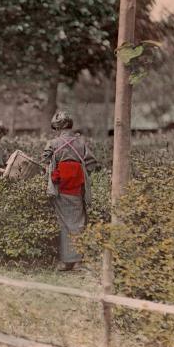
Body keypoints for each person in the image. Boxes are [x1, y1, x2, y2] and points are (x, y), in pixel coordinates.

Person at [43, 111, 99, 271]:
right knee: (79, 222)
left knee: (63, 223)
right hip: (77, 188)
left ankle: (65, 261)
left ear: (57, 127)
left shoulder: (53, 143)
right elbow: (91, 163)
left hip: (60, 187)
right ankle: (78, 261)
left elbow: (45, 162)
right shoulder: (80, 143)